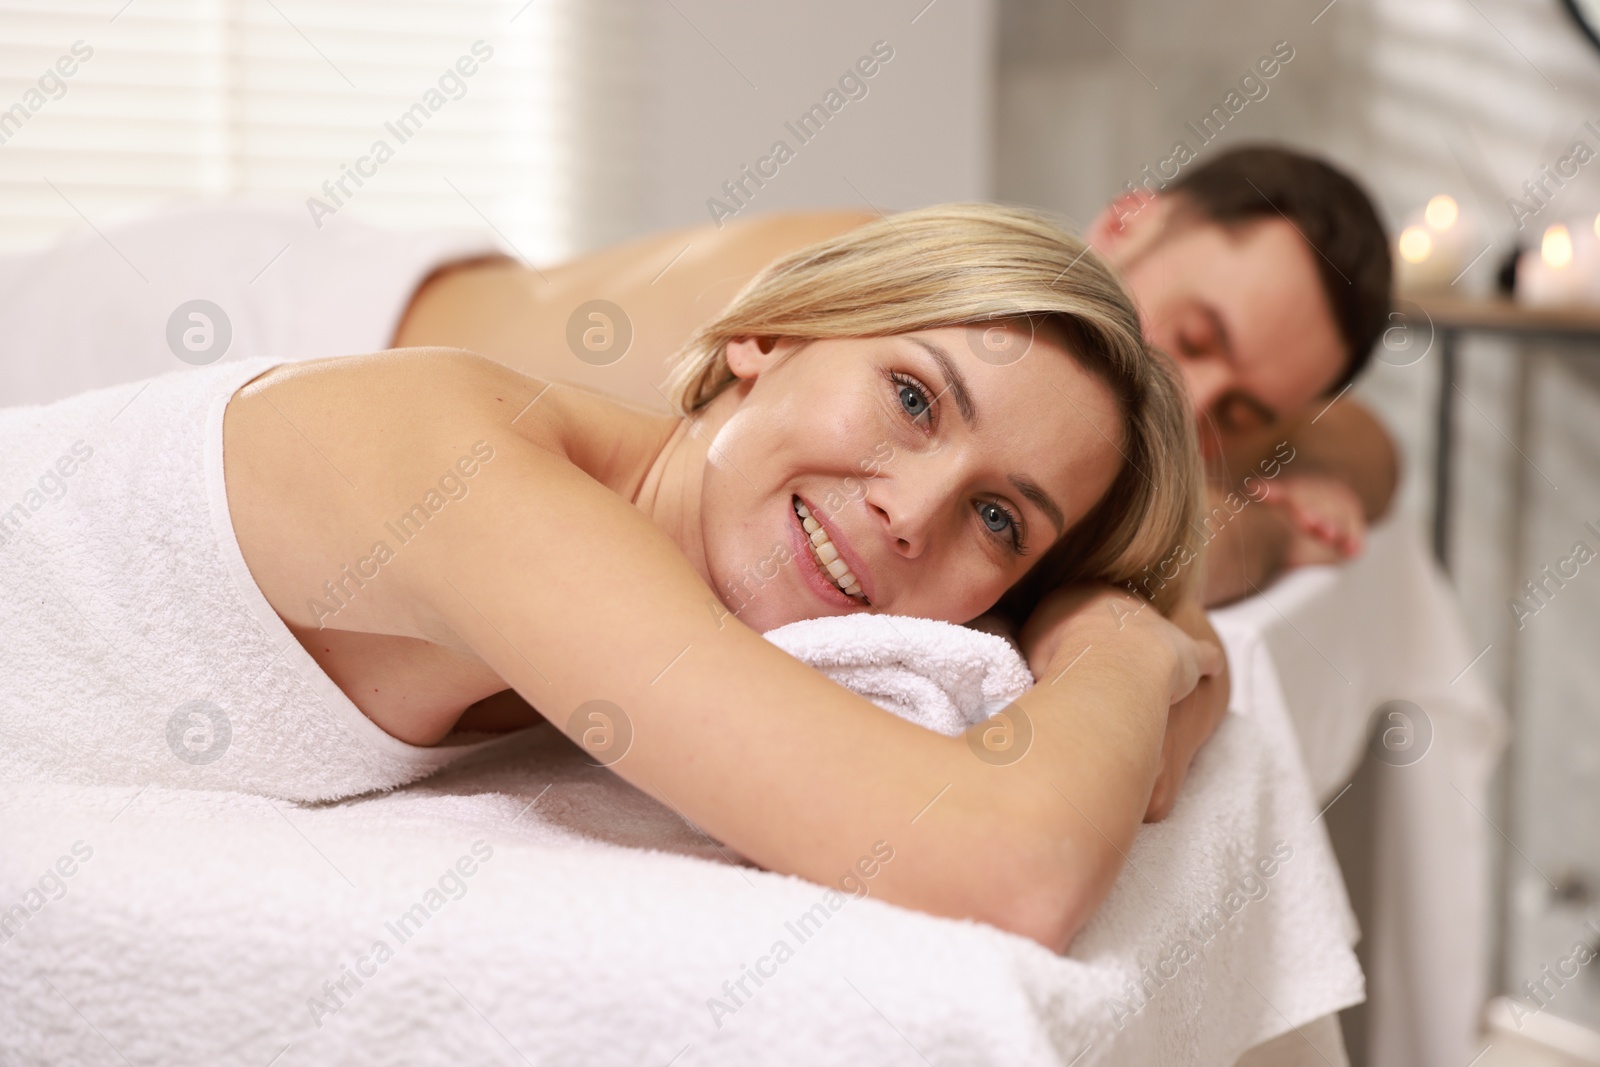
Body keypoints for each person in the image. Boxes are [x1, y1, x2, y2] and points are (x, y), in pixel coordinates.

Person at [1, 204, 1223, 951]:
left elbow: (1163, 746)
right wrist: (1120, 645)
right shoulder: (460, 470)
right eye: (909, 396)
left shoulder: (680, 544)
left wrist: (1128, 615)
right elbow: (1009, 865)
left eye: (999, 518)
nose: (911, 508)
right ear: (768, 335)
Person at [395, 144, 1395, 607]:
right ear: (1127, 222)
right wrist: (1273, 526)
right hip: (334, 320)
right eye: (1194, 334)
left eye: (1241, 411)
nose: (1187, 402)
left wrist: (1318, 459)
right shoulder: (872, 282)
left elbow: (1374, 448)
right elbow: (1170, 561)